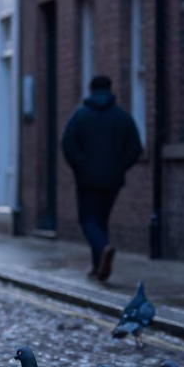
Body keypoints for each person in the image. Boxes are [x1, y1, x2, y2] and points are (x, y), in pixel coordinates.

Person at [61, 75, 143, 283]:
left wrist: (80, 165)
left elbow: (67, 144)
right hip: (112, 179)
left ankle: (103, 250)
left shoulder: (80, 116)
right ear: (110, 89)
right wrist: (120, 167)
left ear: (91, 90)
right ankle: (98, 266)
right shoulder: (122, 117)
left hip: (87, 178)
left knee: (87, 219)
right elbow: (136, 148)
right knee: (101, 219)